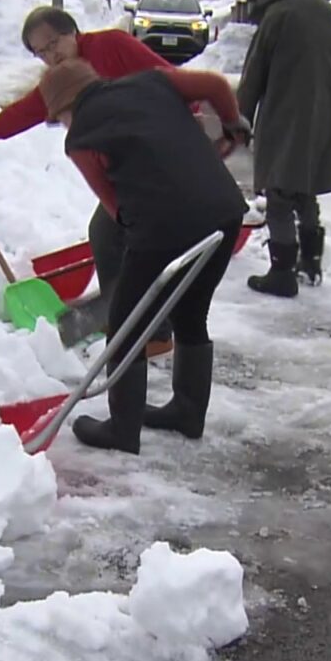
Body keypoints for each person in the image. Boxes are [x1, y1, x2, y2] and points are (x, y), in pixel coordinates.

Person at [0, 6, 185, 356]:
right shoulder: (63, 78)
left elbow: (169, 78)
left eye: (54, 43)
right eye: (40, 52)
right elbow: (27, 109)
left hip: (162, 161)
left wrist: (193, 125)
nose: (50, 55)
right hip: (131, 170)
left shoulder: (111, 46)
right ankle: (139, 325)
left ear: (73, 32)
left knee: (126, 239)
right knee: (108, 236)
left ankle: (147, 331)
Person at [37, 58, 250, 454]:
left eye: (60, 119)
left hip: (161, 227)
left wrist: (135, 250)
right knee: (191, 312)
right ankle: (187, 412)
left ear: (65, 109)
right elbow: (216, 86)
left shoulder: (81, 138)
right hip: (225, 211)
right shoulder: (153, 83)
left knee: (124, 327)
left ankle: (122, 429)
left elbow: (115, 206)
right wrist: (233, 122)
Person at [237, 0, 331, 297]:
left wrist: (238, 118)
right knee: (305, 187)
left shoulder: (278, 16)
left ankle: (282, 272)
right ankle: (311, 263)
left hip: (286, 115)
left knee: (280, 191)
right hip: (327, 114)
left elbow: (254, 74)